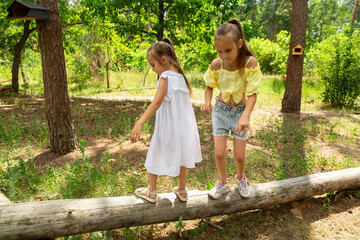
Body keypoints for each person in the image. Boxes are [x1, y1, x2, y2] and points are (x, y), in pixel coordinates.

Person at [130, 38, 202, 203]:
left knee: (155, 152)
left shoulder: (165, 77)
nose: (153, 69)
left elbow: (156, 102)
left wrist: (140, 122)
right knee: (182, 153)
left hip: (167, 128)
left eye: (153, 65)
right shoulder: (180, 77)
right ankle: (182, 189)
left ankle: (152, 191)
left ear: (163, 60)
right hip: (182, 128)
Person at [201, 18, 261, 199]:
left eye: (228, 50)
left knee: (239, 156)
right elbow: (209, 85)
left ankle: (241, 177)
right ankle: (223, 182)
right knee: (218, 153)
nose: (224, 55)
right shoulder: (216, 64)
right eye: (219, 51)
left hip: (239, 114)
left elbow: (253, 94)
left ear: (240, 44)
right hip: (220, 111)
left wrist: (245, 116)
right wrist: (207, 102)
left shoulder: (249, 64)